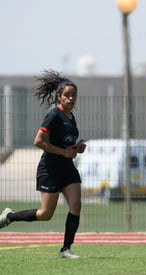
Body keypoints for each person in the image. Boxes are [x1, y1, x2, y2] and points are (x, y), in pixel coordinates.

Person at [0, 70, 86, 259]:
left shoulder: (71, 117)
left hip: (67, 168)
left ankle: (66, 249)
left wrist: (76, 148)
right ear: (59, 97)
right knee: (46, 214)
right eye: (67, 95)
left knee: (76, 205)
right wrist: (64, 152)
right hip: (50, 169)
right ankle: (9, 217)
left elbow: (64, 142)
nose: (71, 98)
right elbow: (38, 141)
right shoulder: (54, 115)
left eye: (74, 95)